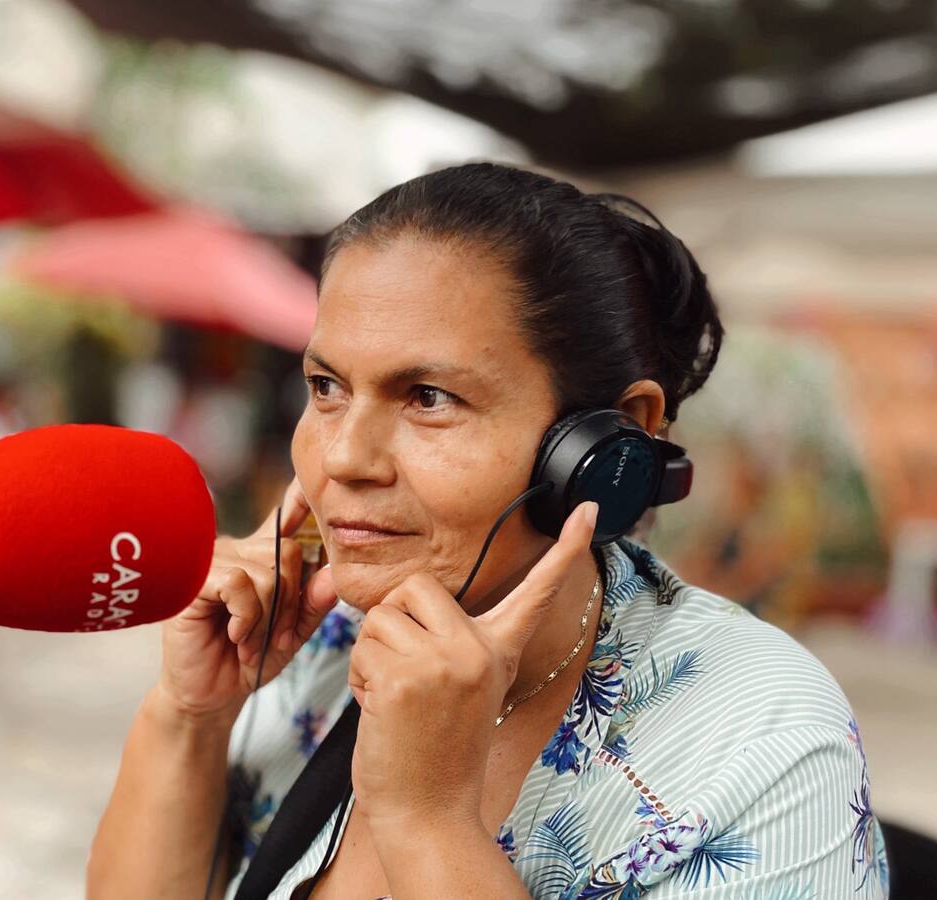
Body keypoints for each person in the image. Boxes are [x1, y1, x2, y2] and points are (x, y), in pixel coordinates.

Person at [87, 164, 889, 899]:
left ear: (612, 442)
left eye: (429, 397)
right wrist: (193, 716)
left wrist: (429, 819)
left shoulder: (760, 743)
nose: (342, 458)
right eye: (326, 386)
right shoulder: (318, 641)